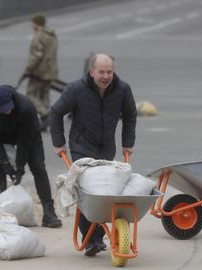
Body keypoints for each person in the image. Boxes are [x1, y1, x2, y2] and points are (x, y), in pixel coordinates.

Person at [49, 53, 137, 255]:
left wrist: (128, 143)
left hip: (107, 148)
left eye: (110, 72)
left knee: (105, 191)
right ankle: (92, 240)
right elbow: (55, 112)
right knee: (88, 190)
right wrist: (58, 142)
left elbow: (131, 114)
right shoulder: (76, 89)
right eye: (102, 72)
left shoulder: (122, 89)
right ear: (91, 72)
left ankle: (101, 234)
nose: (106, 76)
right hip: (82, 146)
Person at [0, 85, 62, 228]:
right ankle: (0, 211)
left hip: (28, 134)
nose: (8, 110)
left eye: (9, 107)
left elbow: (25, 142)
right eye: (3, 108)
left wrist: (19, 168)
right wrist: (6, 164)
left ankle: (49, 212)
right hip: (2, 136)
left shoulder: (25, 108)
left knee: (38, 166)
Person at [22, 14, 58, 131]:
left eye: (33, 23)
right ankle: (46, 121)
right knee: (45, 94)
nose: (32, 25)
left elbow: (36, 56)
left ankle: (45, 115)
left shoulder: (38, 35)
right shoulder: (51, 34)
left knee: (30, 94)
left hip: (39, 71)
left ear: (36, 23)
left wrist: (28, 69)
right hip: (50, 69)